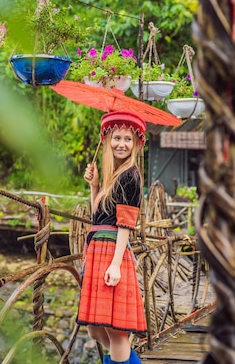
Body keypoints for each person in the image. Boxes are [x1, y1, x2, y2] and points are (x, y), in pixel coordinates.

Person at [78, 110, 147, 364]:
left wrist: (116, 263)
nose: (121, 144)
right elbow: (98, 215)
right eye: (116, 137)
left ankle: (123, 360)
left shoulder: (131, 175)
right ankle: (128, 361)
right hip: (98, 250)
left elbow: (126, 225)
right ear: (107, 141)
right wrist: (95, 186)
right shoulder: (113, 175)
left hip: (111, 252)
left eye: (128, 139)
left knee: (116, 330)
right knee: (95, 328)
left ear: (136, 143)